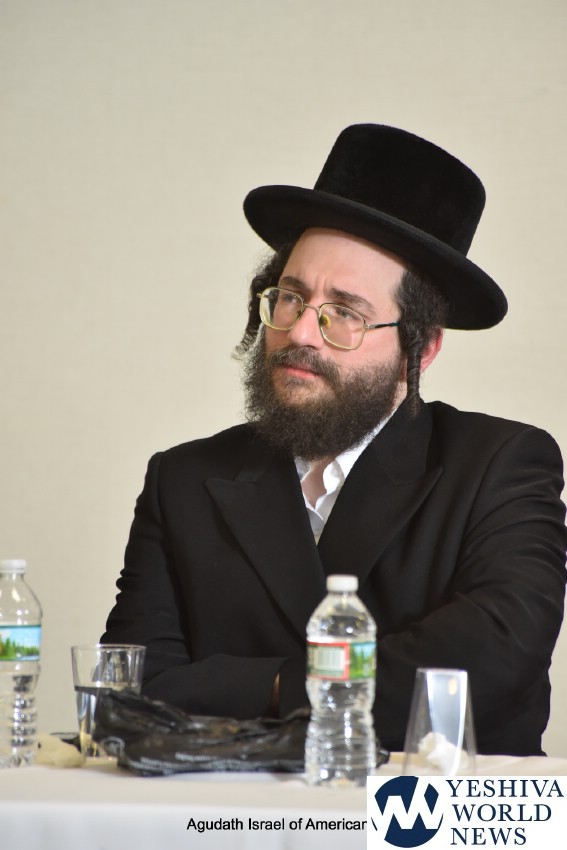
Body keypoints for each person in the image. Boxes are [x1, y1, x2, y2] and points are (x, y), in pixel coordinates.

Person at [102, 124, 567, 755]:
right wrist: (353, 683)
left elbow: (493, 658)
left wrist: (270, 685)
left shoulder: (499, 465)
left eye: (345, 313)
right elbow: (136, 692)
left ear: (422, 347)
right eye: (290, 298)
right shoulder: (182, 479)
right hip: (226, 809)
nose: (300, 333)